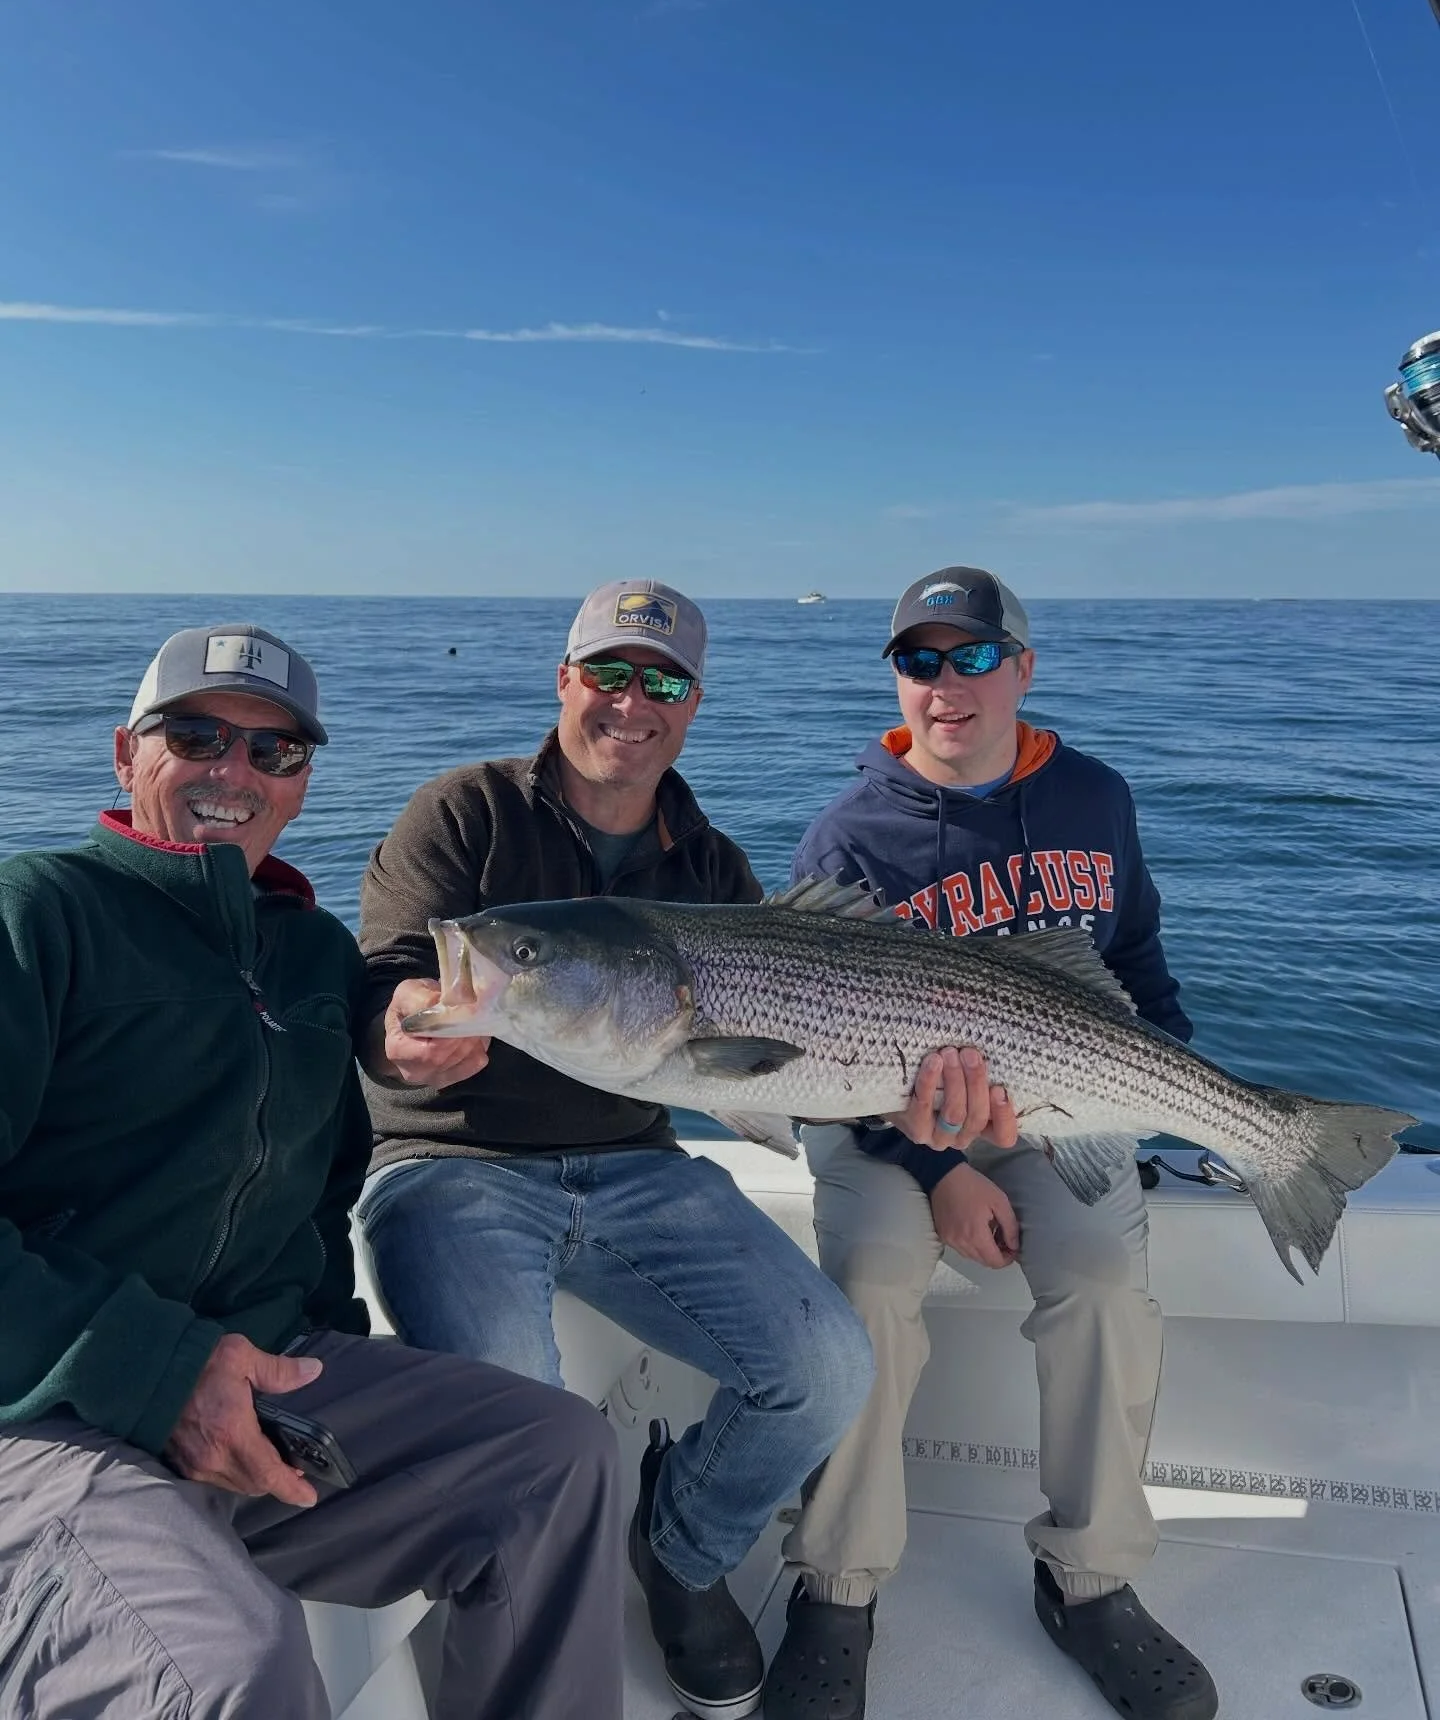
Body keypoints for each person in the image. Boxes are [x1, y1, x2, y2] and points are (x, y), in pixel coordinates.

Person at [0, 625, 622, 1720]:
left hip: (266, 1369)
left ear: (301, 781)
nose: (234, 773)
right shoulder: (38, 915)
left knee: (557, 1455)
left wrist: (326, 1350)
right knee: (227, 1665)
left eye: (274, 752)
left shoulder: (312, 954)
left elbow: (318, 1196)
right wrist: (163, 1369)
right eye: (196, 736)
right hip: (45, 1410)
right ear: (124, 754)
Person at [356, 580, 885, 1720]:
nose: (631, 703)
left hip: (641, 1168)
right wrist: (400, 1027)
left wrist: (922, 1101)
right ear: (564, 680)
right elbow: (386, 977)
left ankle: (683, 1549)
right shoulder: (462, 813)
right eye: (608, 672)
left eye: (663, 681)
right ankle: (518, 1651)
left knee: (828, 1368)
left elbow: (767, 1075)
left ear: (692, 704)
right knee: (526, 1425)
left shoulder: (712, 867)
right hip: (453, 1168)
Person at [768, 568, 1220, 1720]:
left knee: (1107, 1279)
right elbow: (814, 1049)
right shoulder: (846, 836)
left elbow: (1139, 961)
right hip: (883, 1123)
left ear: (1022, 665)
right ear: (897, 682)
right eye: (919, 661)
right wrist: (942, 1171)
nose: (945, 685)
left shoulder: (1094, 797)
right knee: (871, 1277)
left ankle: (1090, 1578)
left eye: (970, 657)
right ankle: (837, 1589)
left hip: (1060, 1102)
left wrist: (1167, 1076)